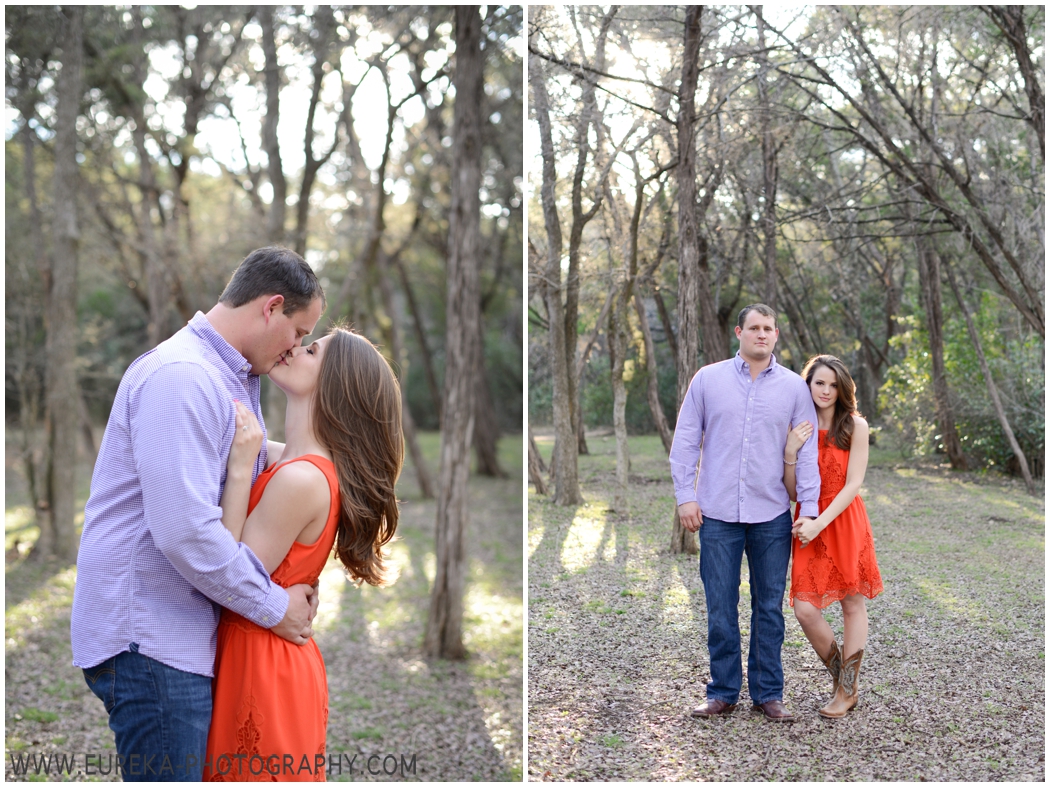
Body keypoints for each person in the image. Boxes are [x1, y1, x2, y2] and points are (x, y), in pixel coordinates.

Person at [72, 247, 325, 781]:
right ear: (271, 307)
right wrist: (273, 605)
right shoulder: (184, 377)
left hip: (178, 635)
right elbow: (185, 533)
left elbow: (258, 464)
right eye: (299, 333)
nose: (295, 347)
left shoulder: (227, 378)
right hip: (151, 636)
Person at [203, 327, 403, 781]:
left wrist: (239, 471)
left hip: (261, 661)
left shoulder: (302, 480)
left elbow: (229, 571)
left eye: (311, 350)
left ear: (334, 385)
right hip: (265, 651)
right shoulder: (294, 464)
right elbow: (282, 455)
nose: (294, 348)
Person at [670, 304, 821, 723]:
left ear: (777, 334)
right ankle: (721, 692)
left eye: (768, 328)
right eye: (753, 327)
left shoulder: (794, 388)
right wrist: (686, 495)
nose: (760, 334)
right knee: (720, 606)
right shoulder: (708, 379)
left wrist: (808, 508)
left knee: (769, 608)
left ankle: (768, 694)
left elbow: (806, 454)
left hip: (771, 514)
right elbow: (685, 440)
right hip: (716, 513)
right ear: (739, 332)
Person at [784, 354, 883, 718]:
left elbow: (854, 484)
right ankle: (844, 679)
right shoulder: (798, 426)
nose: (825, 390)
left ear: (842, 388)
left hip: (842, 519)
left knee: (852, 603)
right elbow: (793, 491)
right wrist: (791, 450)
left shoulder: (855, 426)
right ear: (807, 385)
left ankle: (846, 691)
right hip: (807, 519)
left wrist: (819, 523)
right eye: (818, 383)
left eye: (832, 384)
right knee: (805, 609)